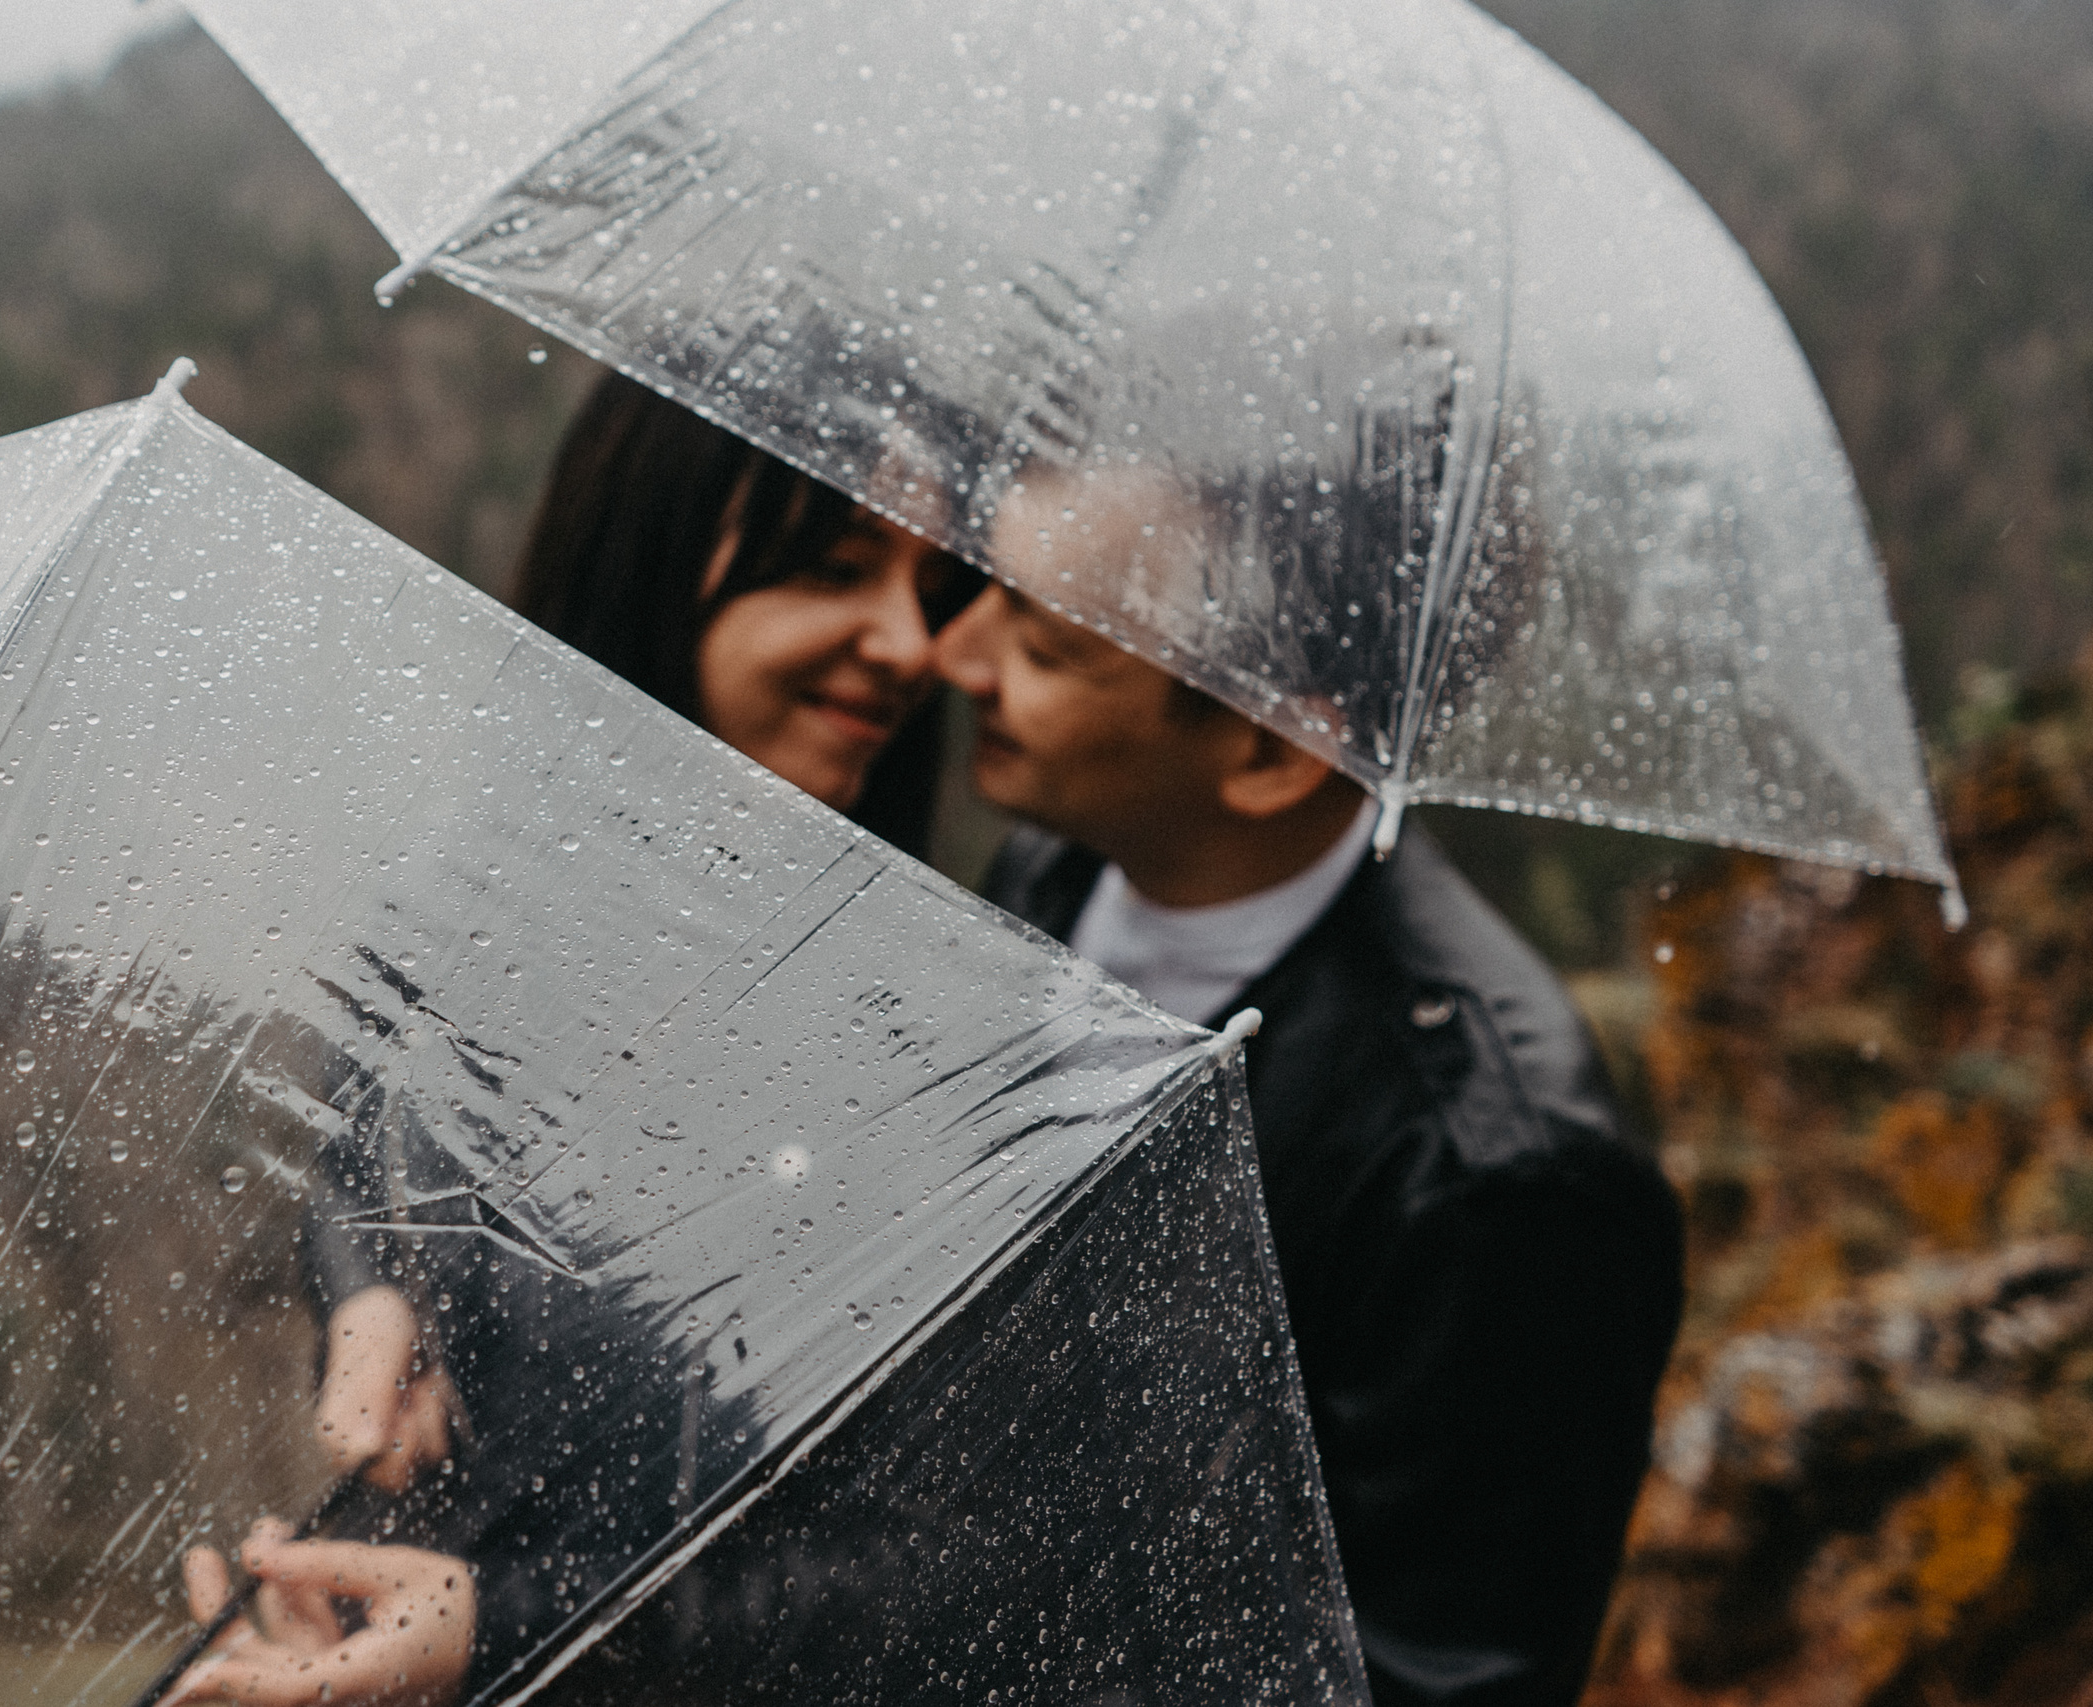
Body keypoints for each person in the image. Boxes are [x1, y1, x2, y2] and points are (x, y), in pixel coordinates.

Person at [168, 374, 979, 1706]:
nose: (910, 643)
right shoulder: (462, 924)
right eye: (837, 568)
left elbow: (916, 1583)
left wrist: (498, 1624)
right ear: (652, 558)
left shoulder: (932, 1057)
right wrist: (376, 1286)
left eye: (929, 592)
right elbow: (369, 1126)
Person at [932, 463, 1685, 1707]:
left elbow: (1426, 1674)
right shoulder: (1055, 872)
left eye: (1049, 646)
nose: (953, 655)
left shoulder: (1497, 1184)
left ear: (1272, 747)